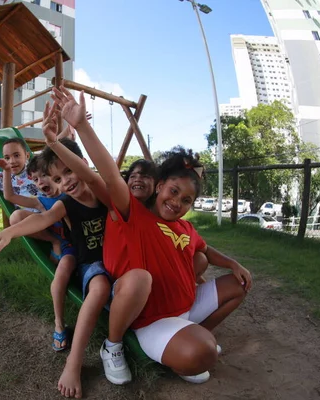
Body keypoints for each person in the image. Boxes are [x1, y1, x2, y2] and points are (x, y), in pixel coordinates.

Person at [51, 86, 252, 385]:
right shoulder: (132, 212)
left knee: (241, 284)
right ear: (159, 186)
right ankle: (114, 345)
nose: (177, 202)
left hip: (188, 305)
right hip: (154, 320)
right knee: (203, 353)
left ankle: (194, 334)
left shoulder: (185, 227)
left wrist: (233, 263)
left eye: (186, 200)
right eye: (174, 191)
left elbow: (206, 251)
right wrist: (82, 126)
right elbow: (104, 174)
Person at [0, 107, 118, 398]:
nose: (64, 182)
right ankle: (71, 354)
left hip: (118, 260)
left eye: (68, 173)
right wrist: (5, 233)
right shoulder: (60, 202)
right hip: (89, 261)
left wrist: (65, 133)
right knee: (96, 285)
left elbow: (99, 170)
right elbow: (37, 217)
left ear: (82, 165)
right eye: (57, 180)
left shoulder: (103, 192)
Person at [0, 153, 76, 351]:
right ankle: (59, 324)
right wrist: (6, 171)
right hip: (64, 246)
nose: (40, 182)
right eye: (35, 179)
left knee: (64, 269)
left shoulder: (71, 195)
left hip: (77, 247)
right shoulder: (40, 201)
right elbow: (10, 197)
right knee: (16, 216)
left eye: (44, 176)